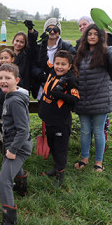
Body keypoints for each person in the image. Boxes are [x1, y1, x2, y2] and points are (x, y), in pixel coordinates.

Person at [74, 24, 112, 172]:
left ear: (101, 37)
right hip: (83, 99)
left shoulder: (107, 52)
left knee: (98, 131)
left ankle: (98, 162)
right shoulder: (80, 53)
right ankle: (84, 159)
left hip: (101, 99)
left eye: (95, 34)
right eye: (89, 33)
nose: (92, 36)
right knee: (85, 130)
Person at [0, 63, 32, 225]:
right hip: (13, 143)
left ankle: (9, 221)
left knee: (3, 181)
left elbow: (23, 130)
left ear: (16, 80)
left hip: (19, 146)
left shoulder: (15, 101)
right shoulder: (10, 95)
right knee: (12, 168)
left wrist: (13, 150)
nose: (3, 81)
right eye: (1, 78)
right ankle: (22, 189)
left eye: (8, 78)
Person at [38, 50, 79, 187]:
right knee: (52, 146)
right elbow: (42, 58)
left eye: (63, 64)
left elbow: (75, 99)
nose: (59, 67)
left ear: (70, 66)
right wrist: (43, 43)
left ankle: (60, 175)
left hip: (61, 122)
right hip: (49, 120)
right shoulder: (52, 72)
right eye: (57, 63)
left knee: (60, 149)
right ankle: (56, 168)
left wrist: (60, 95)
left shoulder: (70, 80)